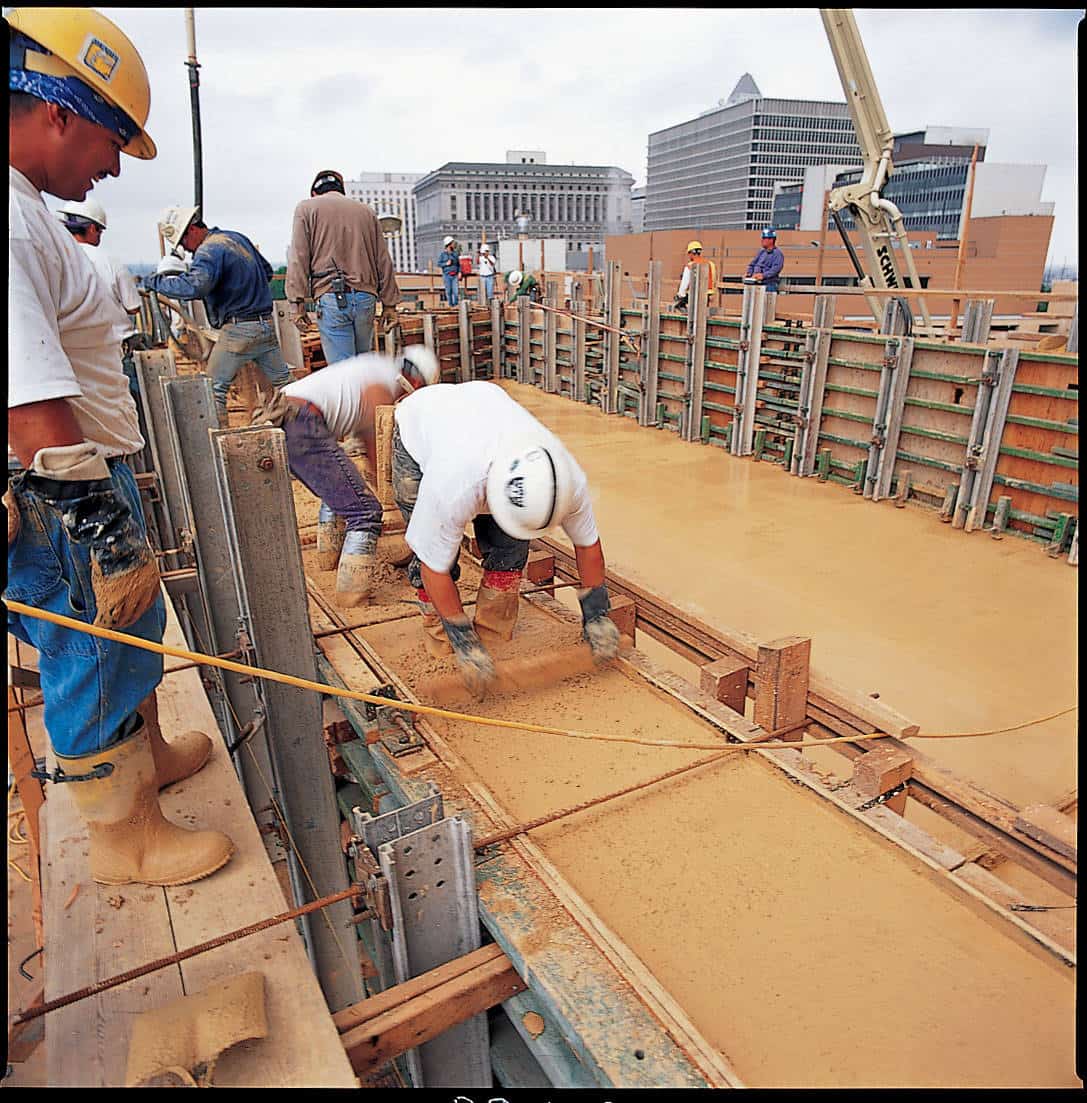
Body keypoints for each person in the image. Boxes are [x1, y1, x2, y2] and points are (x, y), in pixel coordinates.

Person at [6, 6, 234, 887]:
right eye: (111, 140)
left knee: (129, 632)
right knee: (90, 650)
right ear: (58, 110)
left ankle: (142, 759)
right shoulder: (13, 223)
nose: (110, 165)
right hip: (62, 491)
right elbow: (29, 404)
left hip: (80, 479)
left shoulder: (31, 214)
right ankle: (122, 834)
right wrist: (106, 531)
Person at [391, 381, 621, 696]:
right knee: (434, 553)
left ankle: (495, 636)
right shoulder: (452, 485)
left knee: (510, 551)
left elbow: (587, 544)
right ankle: (441, 644)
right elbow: (435, 568)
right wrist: (464, 643)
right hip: (419, 429)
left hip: (487, 408)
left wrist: (597, 615)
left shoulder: (566, 480)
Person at [253, 346, 440, 607]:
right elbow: (374, 440)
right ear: (417, 382)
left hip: (286, 416)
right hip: (301, 422)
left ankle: (327, 559)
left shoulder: (375, 366)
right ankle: (352, 598)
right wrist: (392, 495)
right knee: (364, 510)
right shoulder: (382, 384)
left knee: (339, 492)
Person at [143, 206, 291, 428]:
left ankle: (222, 448)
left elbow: (195, 286)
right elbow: (267, 272)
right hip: (265, 326)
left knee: (212, 389)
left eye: (183, 242)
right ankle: (314, 425)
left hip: (239, 331)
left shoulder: (208, 251)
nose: (186, 249)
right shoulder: (235, 238)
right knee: (286, 385)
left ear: (191, 230)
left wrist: (154, 282)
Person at [286, 169, 401, 365]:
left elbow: (299, 257)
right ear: (341, 190)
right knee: (361, 365)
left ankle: (355, 396)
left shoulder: (306, 208)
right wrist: (390, 305)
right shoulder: (366, 211)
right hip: (366, 298)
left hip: (332, 297)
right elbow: (383, 259)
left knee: (344, 372)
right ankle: (365, 396)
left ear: (314, 192)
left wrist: (297, 305)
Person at [55, 197, 146, 399]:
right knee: (131, 406)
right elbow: (133, 307)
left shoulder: (54, 259)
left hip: (70, 358)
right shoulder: (110, 261)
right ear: (93, 229)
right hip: (113, 353)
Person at [673, 241, 717, 311]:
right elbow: (714, 280)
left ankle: (686, 313)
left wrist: (680, 296)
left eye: (689, 253)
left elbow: (685, 283)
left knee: (680, 303)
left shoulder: (691, 265)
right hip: (707, 294)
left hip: (694, 295)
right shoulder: (711, 264)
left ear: (691, 253)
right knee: (702, 312)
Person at [745, 227, 784, 292]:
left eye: (764, 238)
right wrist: (749, 273)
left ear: (771, 240)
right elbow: (752, 264)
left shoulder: (777, 254)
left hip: (769, 284)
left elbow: (775, 269)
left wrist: (763, 275)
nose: (762, 240)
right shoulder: (761, 252)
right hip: (756, 283)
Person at [438, 236, 460, 307]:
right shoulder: (443, 255)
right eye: (452, 243)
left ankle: (456, 305)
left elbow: (458, 264)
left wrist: (459, 272)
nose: (454, 244)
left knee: (456, 292)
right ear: (449, 244)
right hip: (447, 275)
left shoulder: (455, 254)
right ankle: (451, 305)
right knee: (449, 292)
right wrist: (446, 264)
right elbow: (439, 264)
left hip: (455, 276)